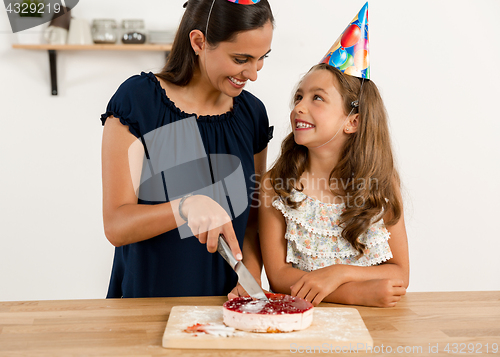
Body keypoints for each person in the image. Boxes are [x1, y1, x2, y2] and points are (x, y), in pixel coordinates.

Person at [100, 0, 274, 298]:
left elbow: (253, 221)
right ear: (198, 41)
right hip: (149, 302)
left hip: (225, 304)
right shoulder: (141, 102)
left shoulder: (251, 115)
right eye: (241, 58)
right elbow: (117, 225)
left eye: (261, 58)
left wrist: (251, 276)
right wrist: (186, 207)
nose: (253, 73)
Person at [258, 62, 409, 307]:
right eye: (299, 97)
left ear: (353, 122)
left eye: (317, 97)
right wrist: (354, 294)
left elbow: (400, 273)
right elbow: (278, 277)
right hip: (304, 321)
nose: (299, 107)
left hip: (376, 326)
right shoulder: (275, 185)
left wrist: (339, 273)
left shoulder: (382, 184)